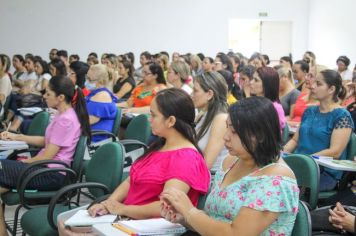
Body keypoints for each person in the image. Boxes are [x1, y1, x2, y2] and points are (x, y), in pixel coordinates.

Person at [58, 88, 210, 235]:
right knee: (64, 225)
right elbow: (131, 180)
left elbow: (165, 207)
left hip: (150, 228)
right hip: (128, 221)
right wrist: (108, 204)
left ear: (170, 121)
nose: (149, 120)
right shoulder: (161, 146)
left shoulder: (185, 158)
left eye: (153, 115)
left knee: (68, 231)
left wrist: (122, 209)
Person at [161, 96, 299, 235]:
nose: (225, 137)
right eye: (227, 127)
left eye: (234, 131)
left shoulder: (276, 179)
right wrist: (184, 218)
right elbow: (216, 219)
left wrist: (190, 212)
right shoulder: (230, 162)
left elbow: (236, 233)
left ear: (260, 135)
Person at [0, 75, 91, 193]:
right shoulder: (63, 114)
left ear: (61, 97)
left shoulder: (65, 120)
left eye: (48, 94)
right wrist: (16, 136)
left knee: (3, 168)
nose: (44, 96)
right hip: (46, 167)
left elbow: (46, 156)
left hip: (51, 174)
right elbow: (48, 140)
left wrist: (22, 162)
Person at [284, 70, 354, 191]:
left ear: (331, 89)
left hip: (323, 173)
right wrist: (282, 154)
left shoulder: (342, 116)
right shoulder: (309, 111)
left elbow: (335, 152)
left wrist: (305, 162)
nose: (312, 86)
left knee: (282, 188)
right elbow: (295, 140)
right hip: (300, 166)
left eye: (318, 84)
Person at [193, 72, 229, 171]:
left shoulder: (221, 119)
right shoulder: (205, 114)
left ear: (209, 94)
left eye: (195, 91)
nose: (192, 94)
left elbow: (206, 164)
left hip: (211, 180)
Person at [85, 64, 118, 142]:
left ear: (101, 81)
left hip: (95, 139)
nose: (87, 81)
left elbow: (88, 121)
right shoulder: (96, 93)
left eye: (90, 79)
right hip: (88, 135)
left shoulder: (101, 97)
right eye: (86, 77)